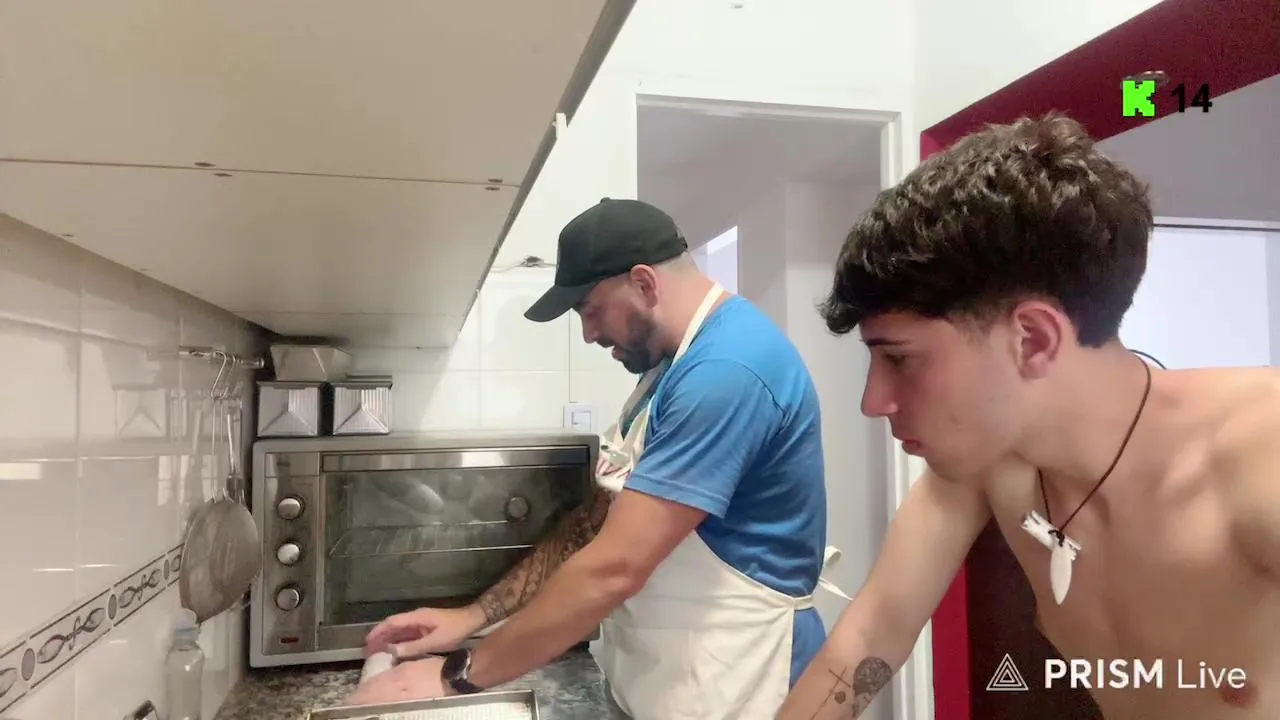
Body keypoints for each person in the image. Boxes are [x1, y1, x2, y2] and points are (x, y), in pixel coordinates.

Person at [775, 113, 1280, 720]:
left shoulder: (1260, 456)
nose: (873, 401)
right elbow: (869, 637)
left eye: (900, 360)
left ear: (1033, 339)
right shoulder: (989, 467)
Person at [348, 198, 849, 718]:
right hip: (674, 682)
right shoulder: (668, 372)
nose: (588, 334)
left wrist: (458, 674)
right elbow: (594, 525)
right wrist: (473, 616)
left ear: (644, 283)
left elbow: (615, 567)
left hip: (744, 686)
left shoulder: (727, 371)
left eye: (589, 309)